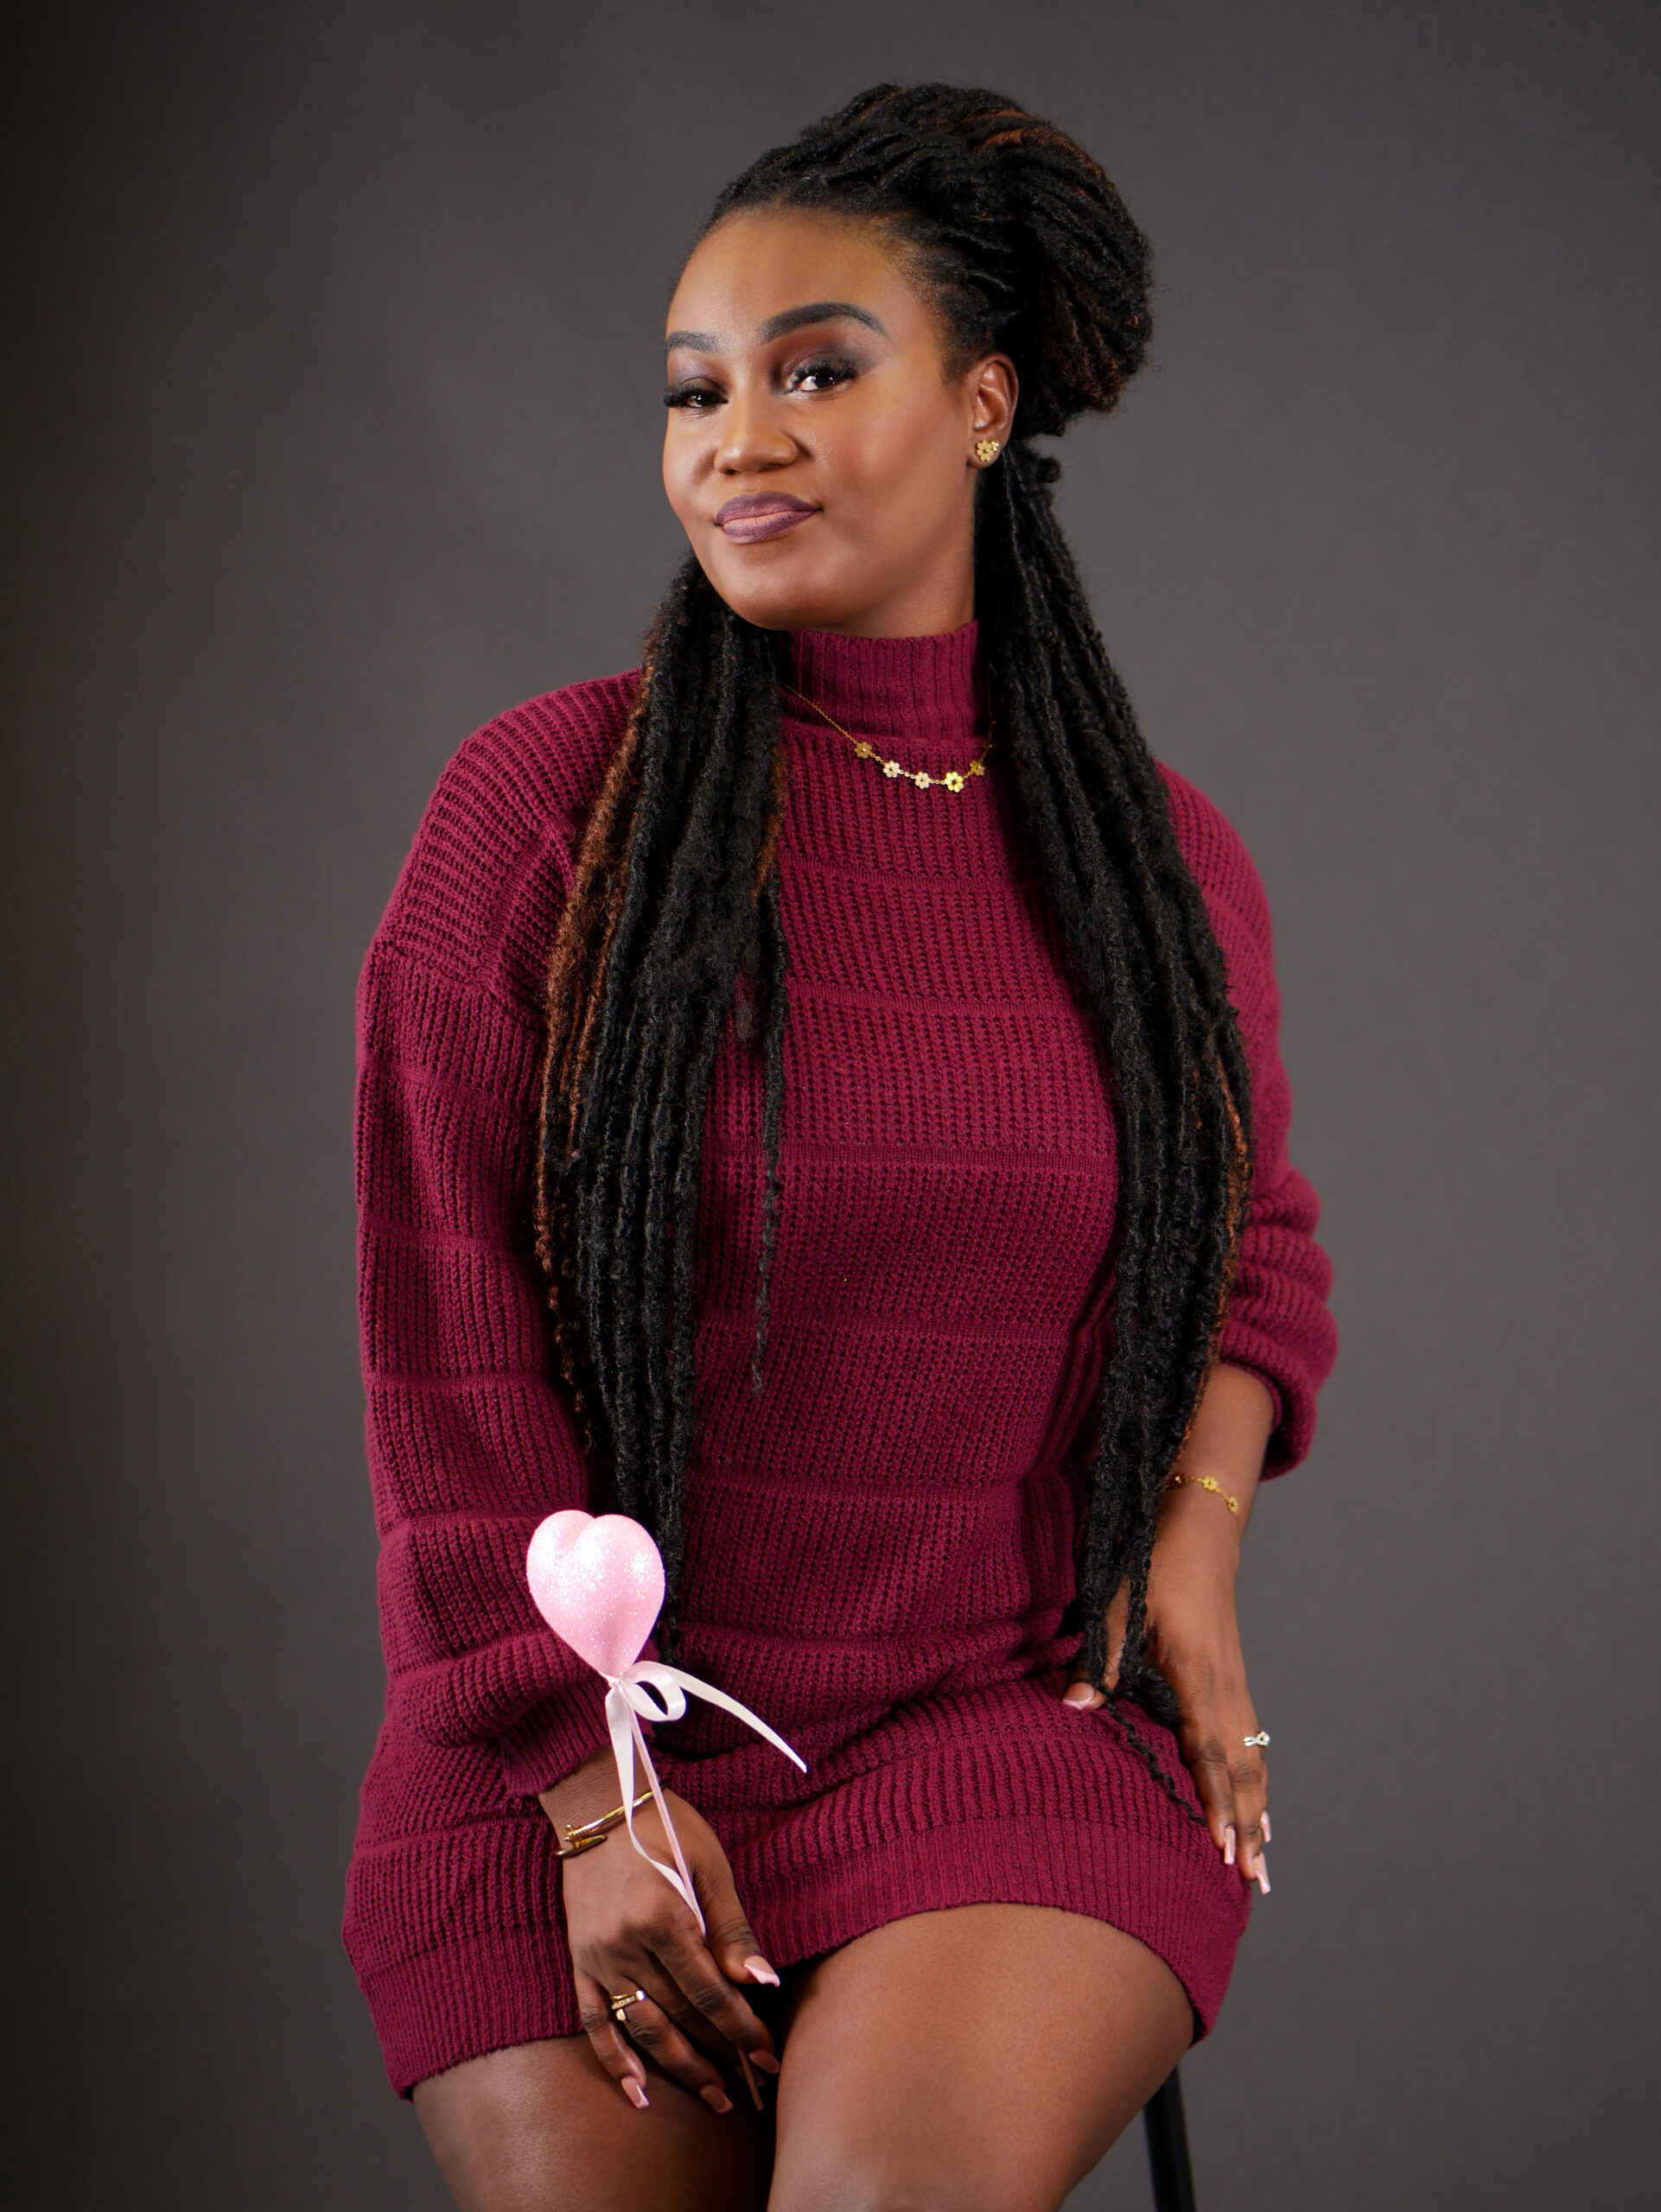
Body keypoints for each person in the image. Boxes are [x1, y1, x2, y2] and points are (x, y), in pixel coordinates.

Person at [343, 83, 1338, 2212]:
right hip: (559, 1754)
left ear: (983, 404)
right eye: (694, 389)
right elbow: (450, 1353)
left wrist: (1187, 1550)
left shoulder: (1158, 871)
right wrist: (589, 1793)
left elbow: (1248, 1242)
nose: (737, 437)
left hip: (992, 1719)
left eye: (813, 371)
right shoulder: (544, 818)